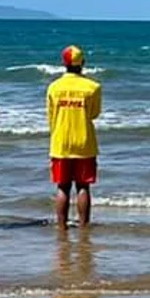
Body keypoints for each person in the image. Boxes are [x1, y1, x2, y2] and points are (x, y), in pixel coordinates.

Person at [47, 45, 103, 230]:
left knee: (63, 187)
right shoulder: (93, 87)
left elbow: (51, 116)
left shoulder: (54, 87)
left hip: (61, 141)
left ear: (64, 63)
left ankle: (61, 226)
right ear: (83, 63)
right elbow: (94, 114)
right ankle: (84, 226)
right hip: (84, 141)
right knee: (83, 187)